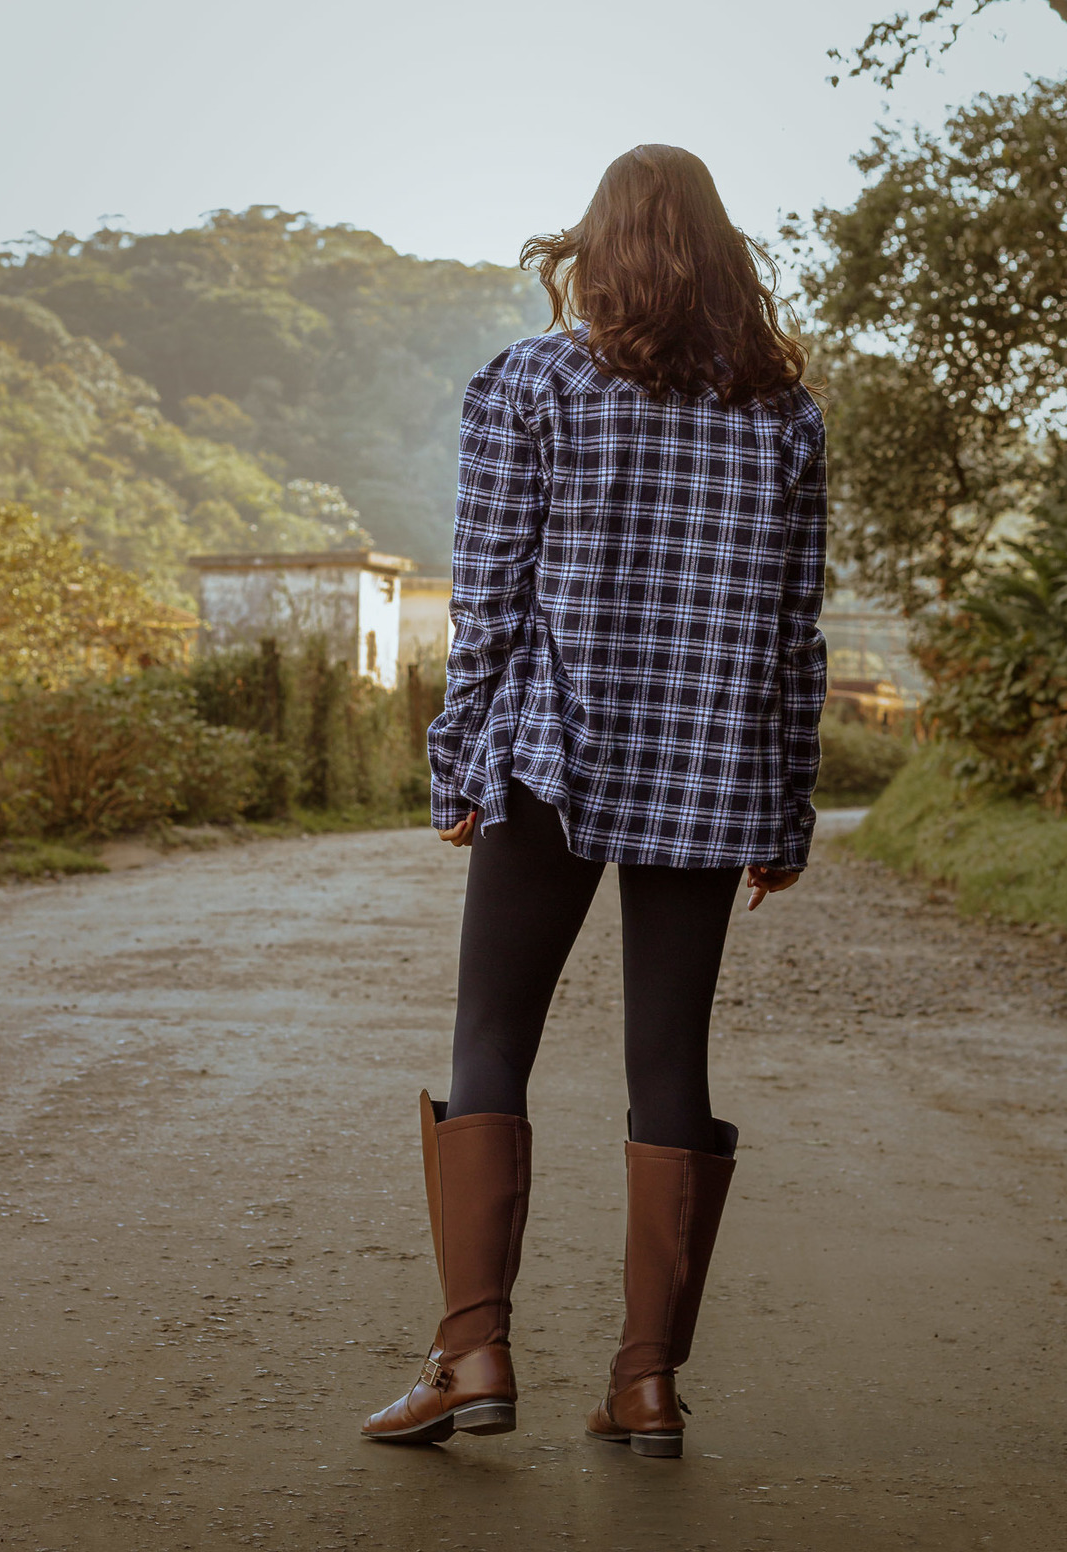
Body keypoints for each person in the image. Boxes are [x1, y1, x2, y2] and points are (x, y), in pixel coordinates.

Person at [361, 144, 826, 1458]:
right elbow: (796, 638)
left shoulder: (530, 384)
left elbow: (489, 595)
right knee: (669, 1059)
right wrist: (783, 808)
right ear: (724, 256)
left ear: (596, 249)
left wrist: (459, 761)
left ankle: (473, 1353)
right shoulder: (783, 415)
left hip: (552, 758)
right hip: (706, 771)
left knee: (491, 1035)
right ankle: (644, 1386)